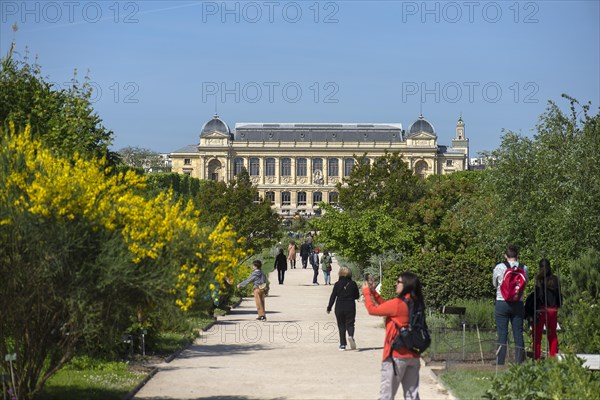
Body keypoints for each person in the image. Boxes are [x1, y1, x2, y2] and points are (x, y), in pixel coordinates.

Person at [363, 272, 423, 400]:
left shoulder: (397, 304)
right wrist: (374, 292)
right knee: (412, 396)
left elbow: (372, 310)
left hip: (396, 355)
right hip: (413, 355)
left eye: (399, 282)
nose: (396, 284)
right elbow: (387, 306)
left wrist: (367, 293)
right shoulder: (415, 302)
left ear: (406, 285)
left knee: (386, 395)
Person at [492, 244, 528, 365]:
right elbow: (524, 284)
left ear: (505, 256)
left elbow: (494, 283)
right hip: (518, 303)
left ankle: (500, 362)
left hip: (502, 302)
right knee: (518, 333)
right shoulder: (524, 268)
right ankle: (520, 362)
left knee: (502, 333)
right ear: (518, 256)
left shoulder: (499, 267)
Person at [531, 258, 561, 359]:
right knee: (552, 335)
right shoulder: (555, 279)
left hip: (542, 309)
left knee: (537, 336)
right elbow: (559, 296)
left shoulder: (539, 279)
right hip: (553, 309)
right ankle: (553, 357)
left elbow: (538, 296)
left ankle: (537, 357)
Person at [327, 266, 360, 351]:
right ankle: (351, 336)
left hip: (339, 306)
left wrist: (329, 307)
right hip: (350, 306)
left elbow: (333, 296)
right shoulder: (353, 284)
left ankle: (342, 345)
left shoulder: (337, 284)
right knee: (350, 323)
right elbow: (357, 296)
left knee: (341, 326)